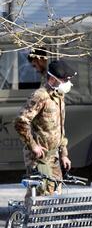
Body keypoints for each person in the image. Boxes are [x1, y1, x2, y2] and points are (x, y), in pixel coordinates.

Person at [14, 59, 76, 199]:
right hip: (38, 158)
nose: (68, 83)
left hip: (53, 157)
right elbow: (21, 122)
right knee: (39, 196)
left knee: (56, 194)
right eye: (65, 79)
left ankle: (49, 221)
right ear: (54, 79)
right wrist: (33, 146)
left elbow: (59, 128)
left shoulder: (59, 96)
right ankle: (29, 220)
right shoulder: (40, 96)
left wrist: (64, 154)